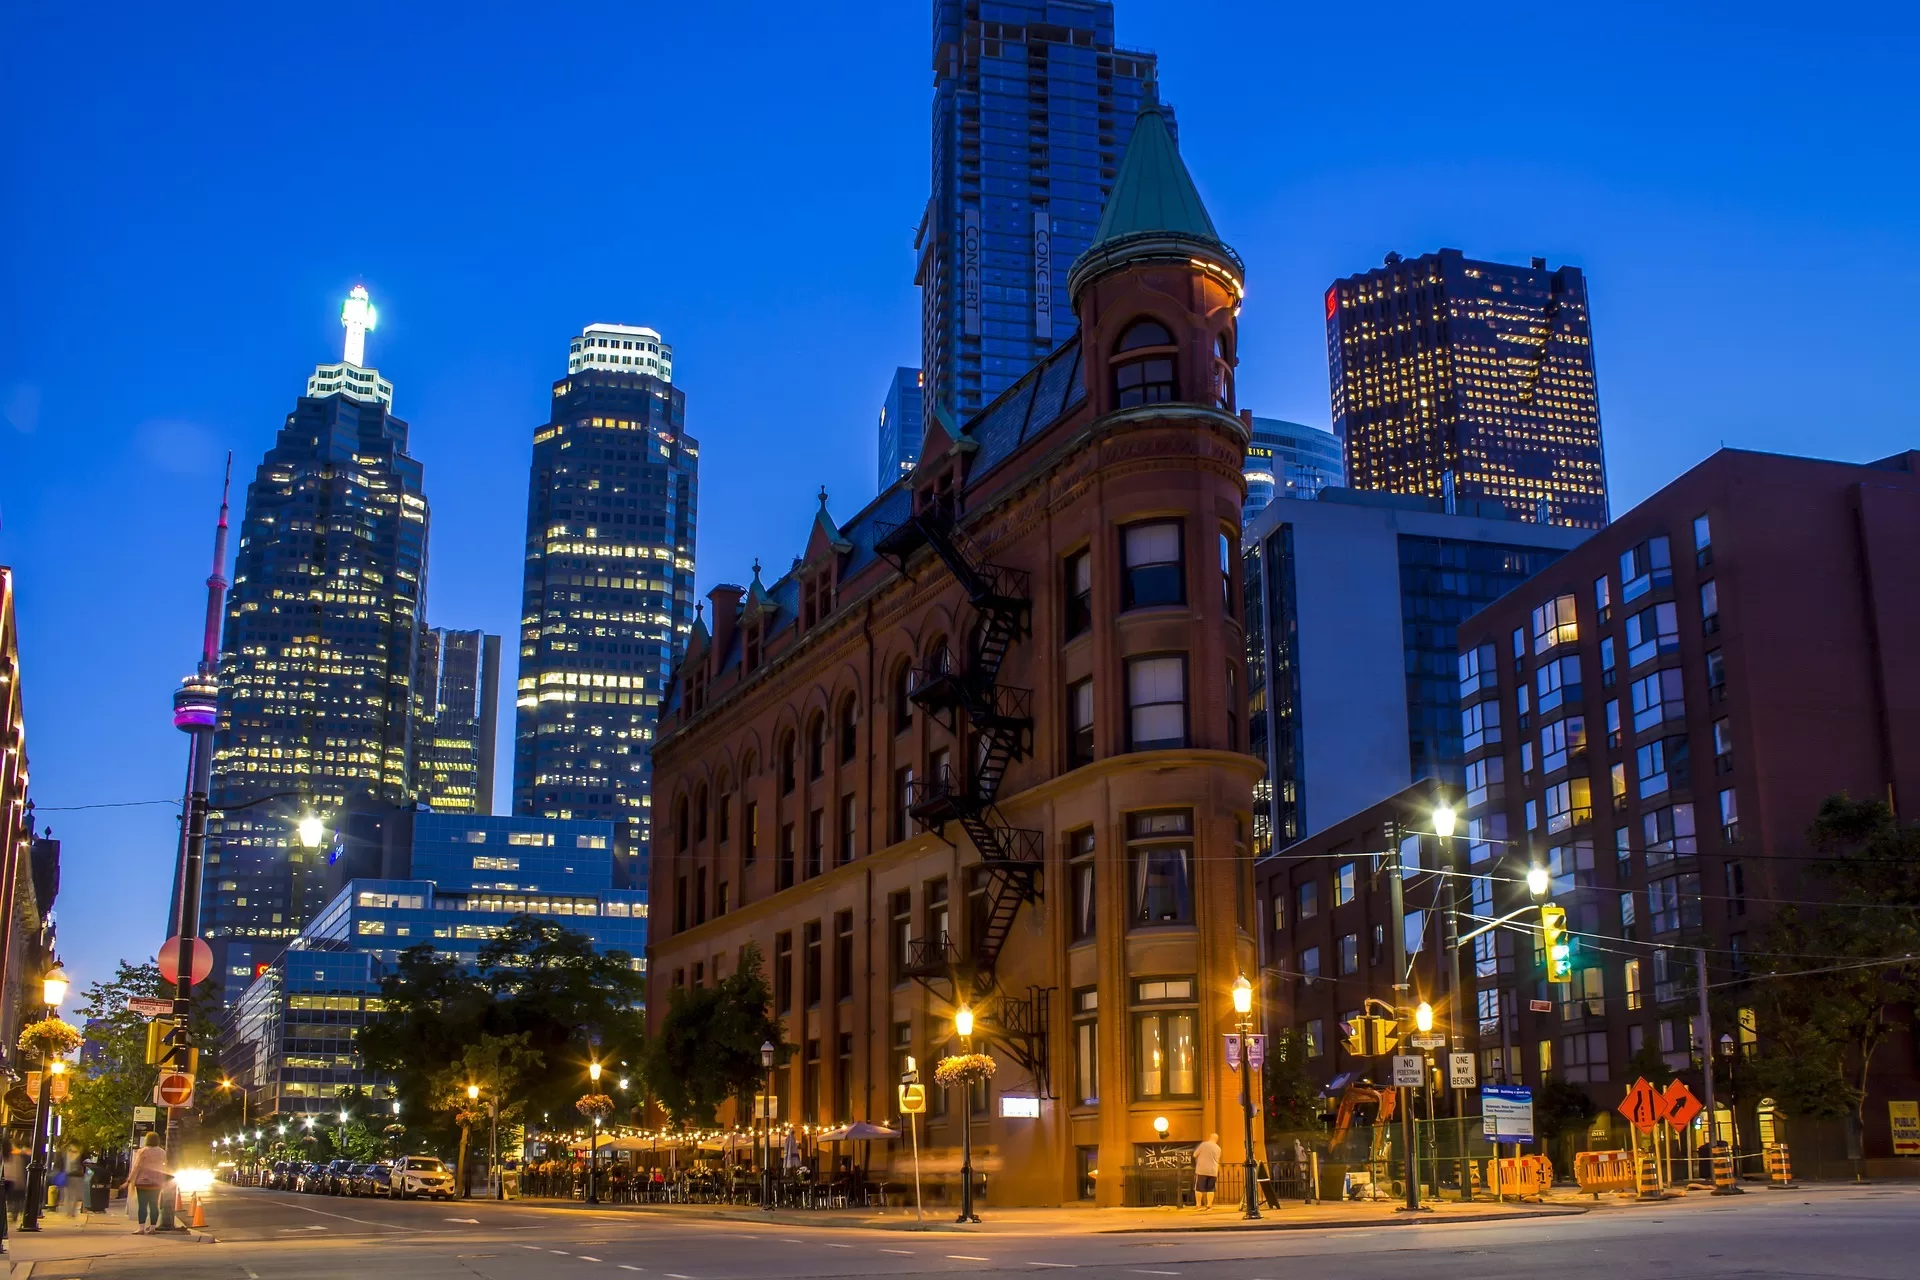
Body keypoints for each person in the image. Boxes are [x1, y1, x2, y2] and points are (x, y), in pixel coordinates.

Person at [127, 1133, 171, 1233]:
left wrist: (129, 1180)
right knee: (154, 1205)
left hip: (142, 1182)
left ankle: (141, 1228)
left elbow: (136, 1167)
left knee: (142, 1205)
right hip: (156, 1182)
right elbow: (164, 1166)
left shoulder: (142, 1151)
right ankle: (152, 1228)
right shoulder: (162, 1152)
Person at [1192, 1133, 1223, 1210]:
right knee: (1211, 1189)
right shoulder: (1218, 1148)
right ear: (1217, 1140)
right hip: (1213, 1171)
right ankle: (1209, 1205)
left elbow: (1195, 1155)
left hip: (1202, 1170)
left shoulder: (1204, 1145)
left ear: (1210, 1137)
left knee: (1198, 1188)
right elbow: (1218, 1160)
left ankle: (1198, 1205)